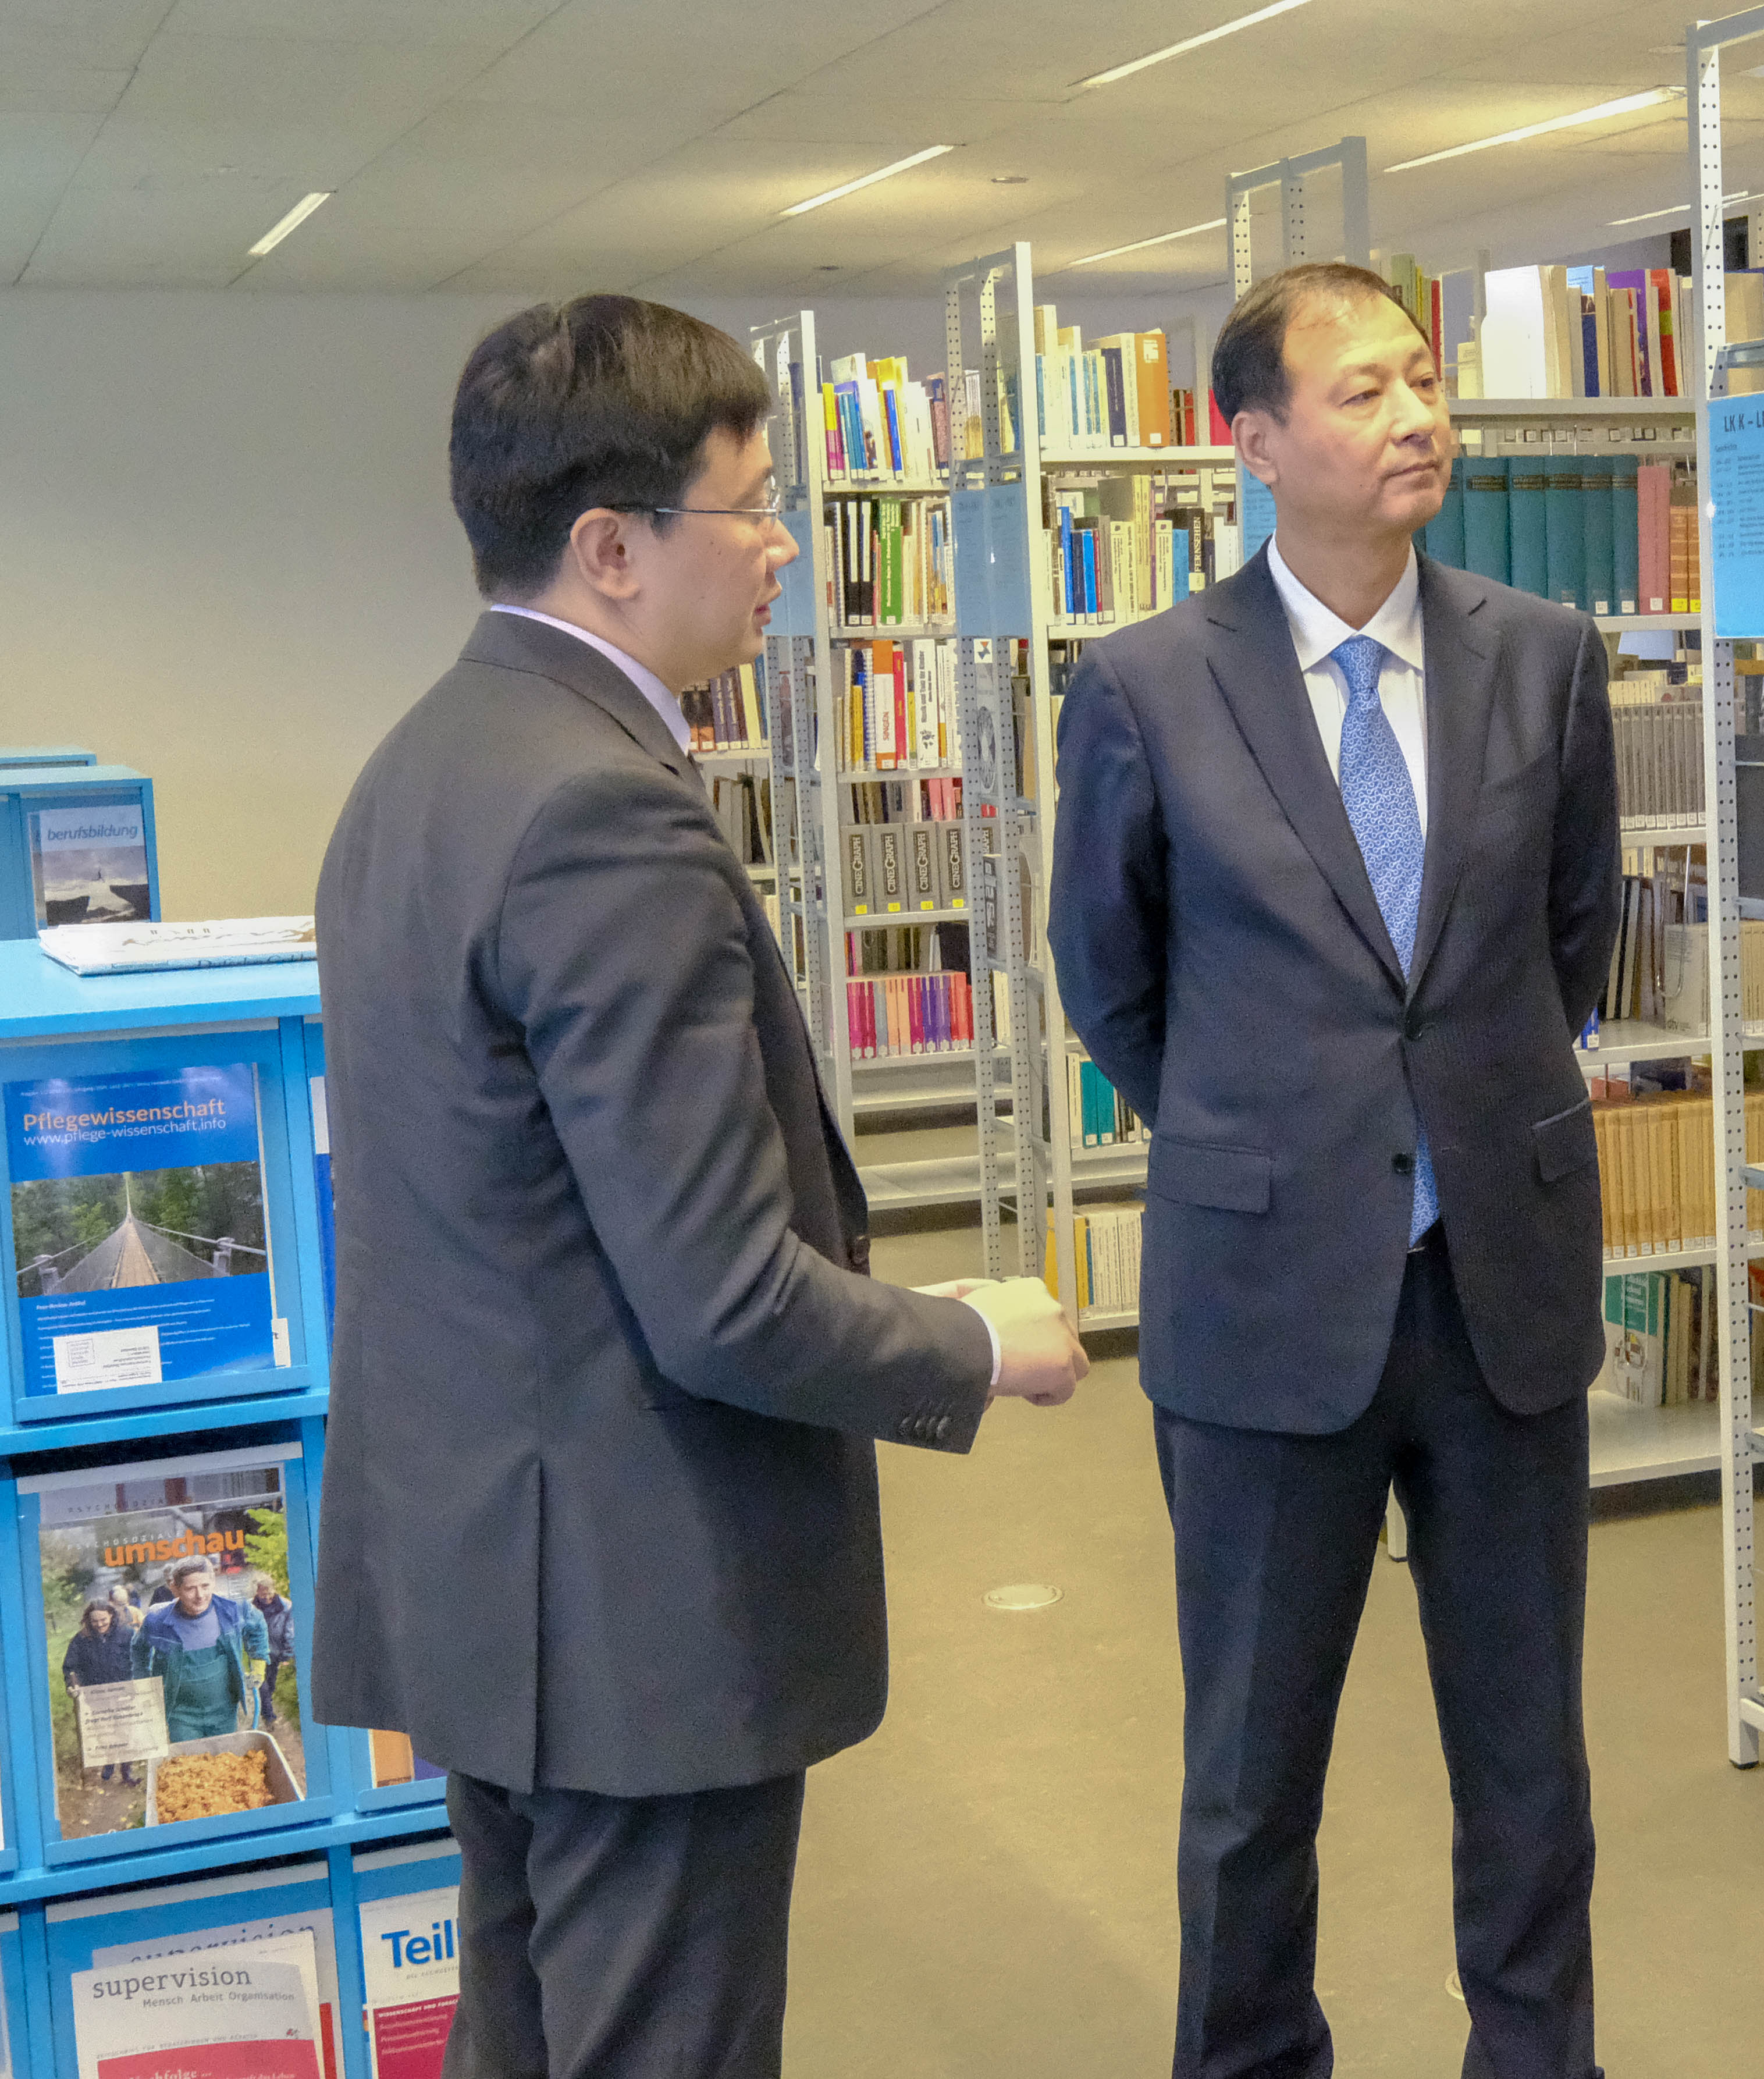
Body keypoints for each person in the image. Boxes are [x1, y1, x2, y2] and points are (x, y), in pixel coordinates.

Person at [314, 293, 1092, 2079]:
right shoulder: (606, 812)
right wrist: (973, 1341)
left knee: (526, 2027)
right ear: (611, 547)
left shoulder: (423, 762)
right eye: (750, 509)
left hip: (482, 1571)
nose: (782, 551)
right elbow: (722, 1293)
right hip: (631, 1601)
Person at [1051, 262, 1619, 2079]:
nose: (1414, 417)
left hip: (1499, 1282)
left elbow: (1572, 939)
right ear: (1254, 441)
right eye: (1361, 392)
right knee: (1249, 1772)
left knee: (1528, 1760)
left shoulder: (1543, 656)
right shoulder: (1146, 684)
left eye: (1422, 380)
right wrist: (1272, 1138)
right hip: (1264, 1292)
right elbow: (1109, 980)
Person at [138, 1556, 271, 1743]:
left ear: (213, 1582)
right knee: (189, 1759)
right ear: (174, 1589)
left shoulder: (234, 1610)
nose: (200, 1595)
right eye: (190, 1589)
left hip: (225, 1710)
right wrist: (144, 1684)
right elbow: (138, 1650)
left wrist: (258, 1665)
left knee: (224, 1757)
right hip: (181, 1715)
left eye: (205, 1586)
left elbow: (257, 1627)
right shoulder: (157, 1622)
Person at [61, 1601, 140, 1783]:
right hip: (96, 1696)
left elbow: (140, 1659)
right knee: (105, 1732)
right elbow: (71, 1667)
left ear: (111, 1615)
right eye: (94, 1621)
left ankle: (127, 1772)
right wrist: (73, 1685)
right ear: (88, 1620)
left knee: (125, 1732)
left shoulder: (127, 1634)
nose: (99, 1624)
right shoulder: (81, 1639)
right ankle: (109, 1764)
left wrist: (140, 1683)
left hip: (123, 1693)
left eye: (103, 1619)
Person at [243, 1572, 296, 1728]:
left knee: (270, 1685)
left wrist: (287, 1655)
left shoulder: (286, 1606)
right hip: (257, 1654)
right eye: (263, 1594)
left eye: (269, 1592)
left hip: (276, 1653)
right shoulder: (249, 1608)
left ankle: (267, 1709)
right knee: (262, 1685)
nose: (267, 1597)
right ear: (256, 1593)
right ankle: (269, 1717)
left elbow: (290, 1632)